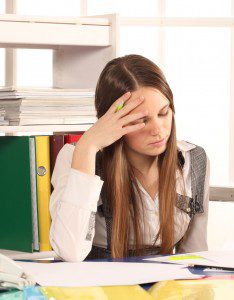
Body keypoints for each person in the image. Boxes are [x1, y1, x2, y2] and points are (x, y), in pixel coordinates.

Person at [49, 54, 210, 262]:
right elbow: (69, 252)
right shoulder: (77, 156)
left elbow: (195, 258)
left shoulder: (193, 160)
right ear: (111, 120)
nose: (158, 130)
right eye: (141, 120)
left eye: (163, 113)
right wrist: (88, 146)